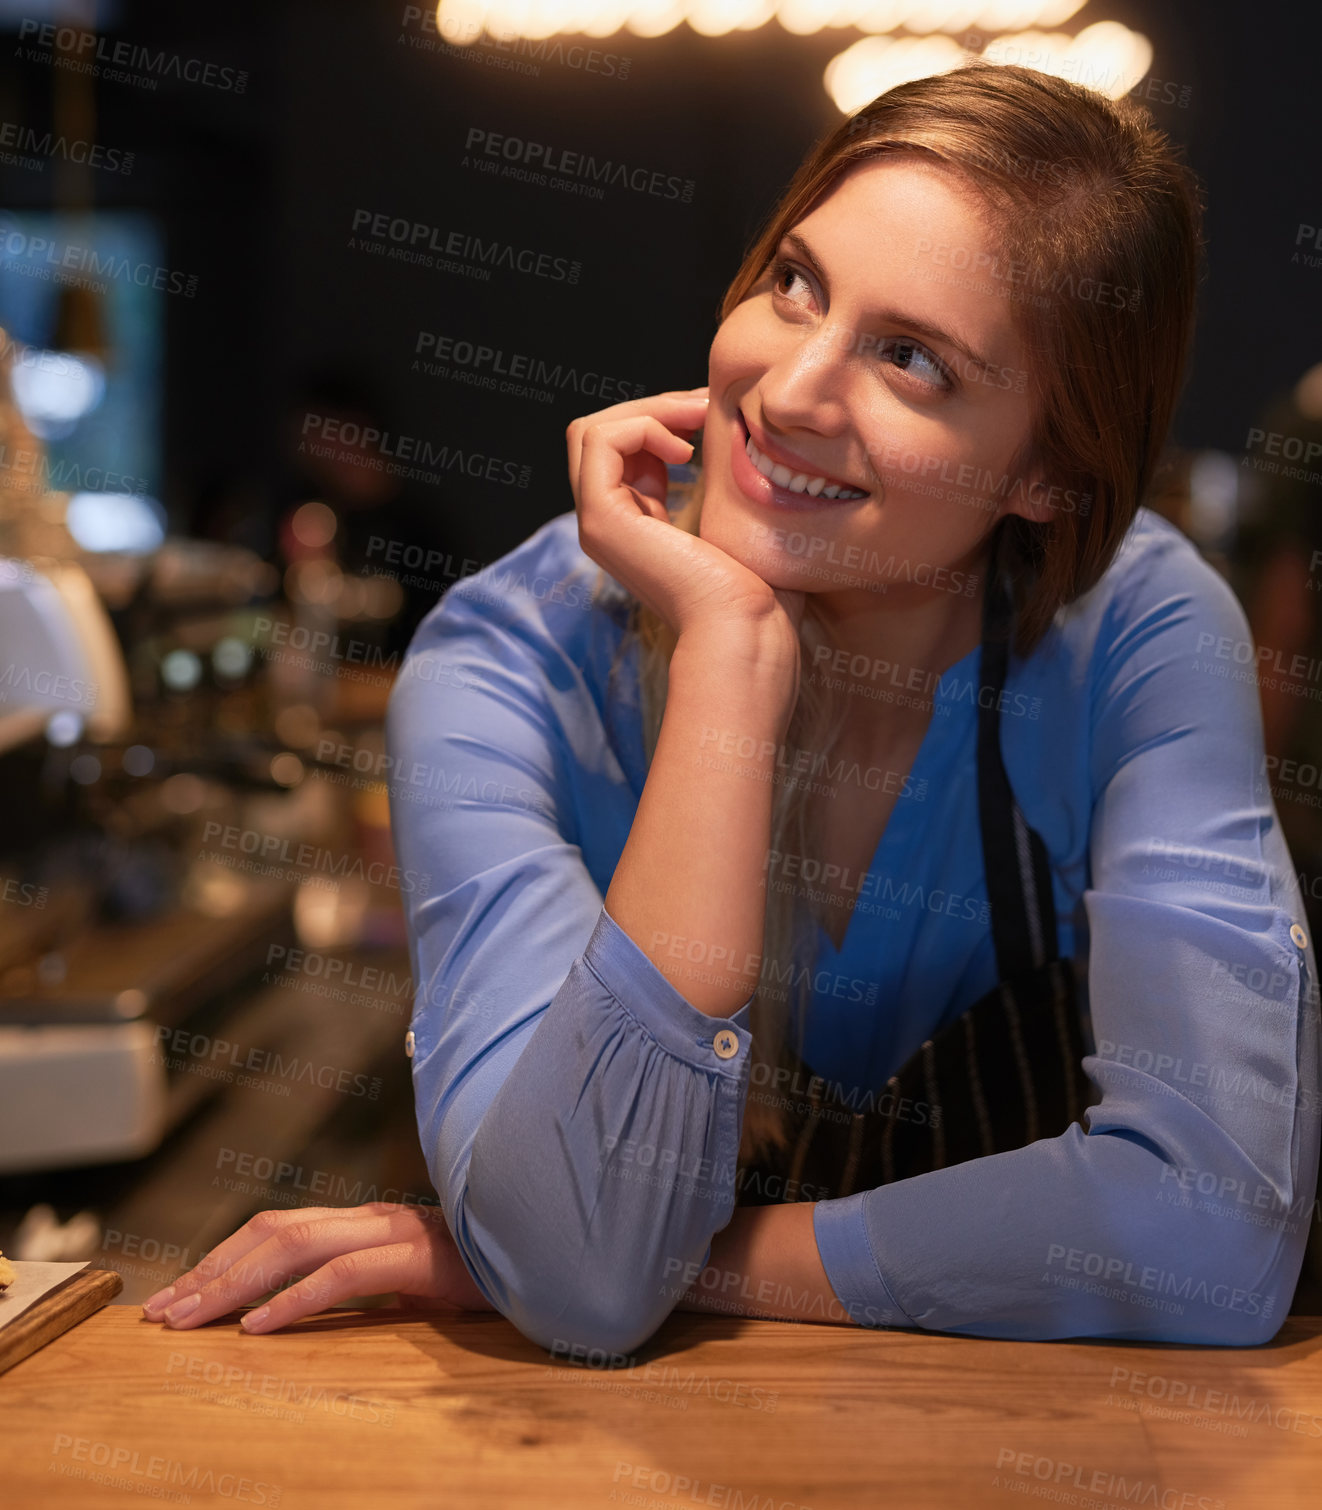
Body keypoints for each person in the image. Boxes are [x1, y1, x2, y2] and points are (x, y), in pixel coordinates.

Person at [140, 62, 1320, 1349]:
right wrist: (728, 659)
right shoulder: (506, 661)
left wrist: (664, 1254)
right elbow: (588, 1285)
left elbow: (1214, 1230)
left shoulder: (1133, 633)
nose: (791, 389)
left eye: (911, 358)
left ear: (1047, 471)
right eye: (794, 283)